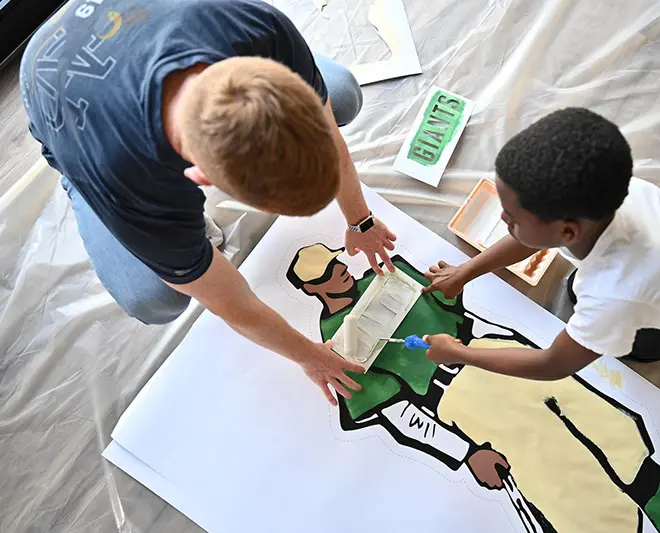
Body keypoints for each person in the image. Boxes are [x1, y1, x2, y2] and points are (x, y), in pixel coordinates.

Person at [19, 0, 399, 404]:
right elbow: (232, 303)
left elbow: (325, 131)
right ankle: (78, 184)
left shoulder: (260, 27)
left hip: (127, 16)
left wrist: (361, 221)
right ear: (198, 179)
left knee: (340, 96)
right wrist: (310, 357)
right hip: (55, 83)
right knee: (154, 296)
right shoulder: (129, 176)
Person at [287, 243, 660, 533]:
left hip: (497, 352)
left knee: (621, 443)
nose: (341, 270)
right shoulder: (330, 348)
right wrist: (467, 452)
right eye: (327, 272)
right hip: (462, 398)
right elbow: (400, 412)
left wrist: (451, 285)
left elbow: (451, 306)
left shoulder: (390, 274)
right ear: (311, 288)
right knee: (576, 497)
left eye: (337, 261)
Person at [422, 107, 660, 380]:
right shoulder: (620, 191)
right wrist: (467, 272)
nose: (503, 220)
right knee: (586, 290)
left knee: (634, 345)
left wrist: (460, 353)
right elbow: (530, 238)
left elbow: (552, 364)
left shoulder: (612, 297)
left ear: (568, 232)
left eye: (512, 217)